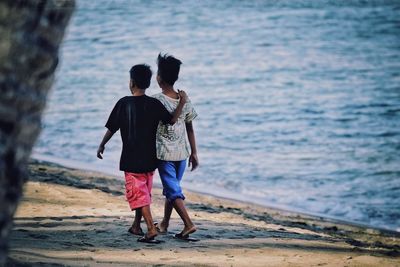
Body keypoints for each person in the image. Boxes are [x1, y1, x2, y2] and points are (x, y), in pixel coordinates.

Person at [97, 64, 187, 243]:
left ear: (132, 83)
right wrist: (182, 103)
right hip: (150, 159)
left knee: (138, 195)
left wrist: (102, 144)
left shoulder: (124, 103)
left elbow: (112, 127)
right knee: (144, 193)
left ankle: (151, 229)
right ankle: (136, 226)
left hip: (131, 160)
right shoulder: (154, 104)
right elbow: (171, 120)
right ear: (147, 83)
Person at [152, 53, 198, 239]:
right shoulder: (184, 99)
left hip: (164, 154)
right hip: (182, 153)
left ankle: (188, 224)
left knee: (172, 190)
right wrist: (194, 153)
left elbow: (163, 123)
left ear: (159, 78)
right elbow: (190, 127)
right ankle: (165, 223)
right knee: (172, 189)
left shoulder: (156, 100)